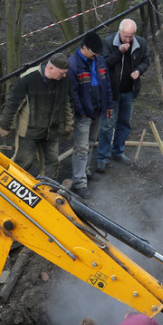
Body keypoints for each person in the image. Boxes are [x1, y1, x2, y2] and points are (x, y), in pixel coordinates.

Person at [0, 54, 74, 180]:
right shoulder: (28, 79)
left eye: (66, 73)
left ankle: (48, 189)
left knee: (52, 163)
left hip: (51, 131)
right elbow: (13, 104)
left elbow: (66, 103)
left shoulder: (64, 81)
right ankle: (10, 187)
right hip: (29, 131)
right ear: (50, 68)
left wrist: (68, 124)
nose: (64, 75)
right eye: (62, 73)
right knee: (24, 162)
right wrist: (6, 126)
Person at [96, 19, 151, 173]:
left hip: (129, 90)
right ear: (119, 32)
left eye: (131, 36)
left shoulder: (140, 43)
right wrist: (119, 51)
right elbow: (104, 64)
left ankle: (118, 152)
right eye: (125, 36)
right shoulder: (108, 42)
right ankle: (102, 157)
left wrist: (139, 70)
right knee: (107, 125)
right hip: (111, 92)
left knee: (124, 123)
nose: (128, 39)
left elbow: (146, 60)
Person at [68, 31, 113, 200]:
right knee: (81, 148)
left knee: (91, 142)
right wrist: (82, 112)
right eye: (94, 53)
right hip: (84, 115)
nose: (97, 56)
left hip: (98, 110)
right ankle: (79, 182)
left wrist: (108, 105)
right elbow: (73, 94)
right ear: (84, 48)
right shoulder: (72, 66)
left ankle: (85, 171)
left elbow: (106, 84)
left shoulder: (99, 61)